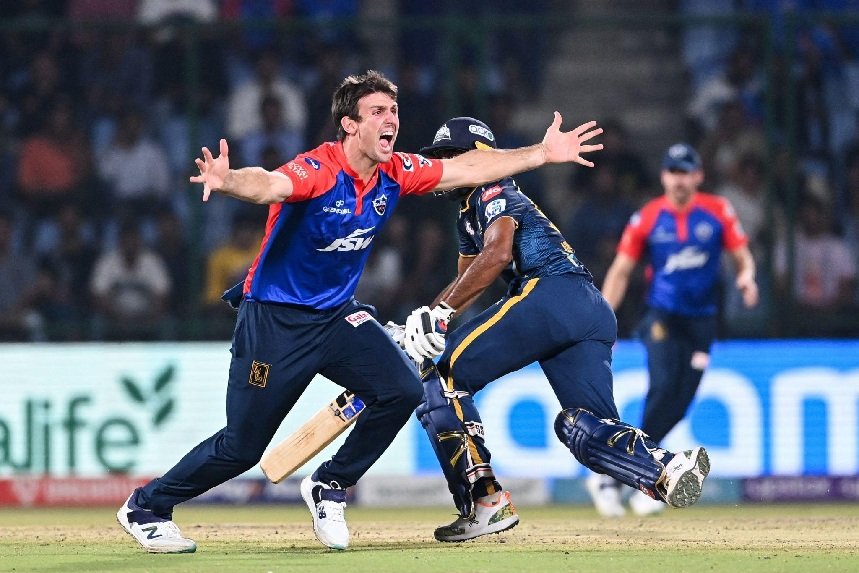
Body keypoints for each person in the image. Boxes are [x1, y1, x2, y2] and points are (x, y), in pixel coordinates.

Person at [115, 69, 605, 553]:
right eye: (377, 112)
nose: (391, 120)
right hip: (274, 322)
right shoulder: (318, 169)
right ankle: (146, 507)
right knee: (241, 447)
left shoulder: (396, 171)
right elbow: (269, 185)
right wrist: (229, 181)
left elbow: (468, 169)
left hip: (336, 318)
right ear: (349, 125)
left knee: (403, 390)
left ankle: (330, 484)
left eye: (394, 110)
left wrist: (542, 153)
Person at [399, 117, 713, 543]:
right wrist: (423, 320)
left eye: (451, 156)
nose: (444, 165)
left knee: (443, 378)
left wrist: (435, 318)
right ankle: (665, 467)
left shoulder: (492, 190)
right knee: (582, 428)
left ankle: (485, 501)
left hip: (550, 293)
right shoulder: (469, 213)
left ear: (481, 156)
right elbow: (466, 284)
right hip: (589, 308)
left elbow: (496, 256)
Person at [588, 142, 758, 517]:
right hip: (661, 317)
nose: (679, 180)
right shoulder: (648, 217)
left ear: (698, 176)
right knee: (663, 386)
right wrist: (602, 322)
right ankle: (633, 476)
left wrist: (746, 276)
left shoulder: (717, 211)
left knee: (679, 404)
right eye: (673, 172)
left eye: (686, 172)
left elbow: (741, 255)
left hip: (701, 322)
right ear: (664, 177)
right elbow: (620, 271)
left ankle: (628, 474)